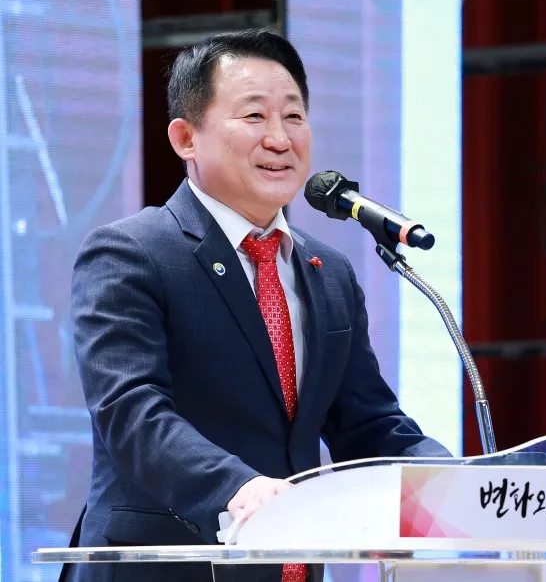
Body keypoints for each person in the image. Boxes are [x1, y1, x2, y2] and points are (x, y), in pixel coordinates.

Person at [63, 28, 450, 582]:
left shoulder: (328, 272)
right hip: (165, 566)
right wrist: (237, 487)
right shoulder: (131, 253)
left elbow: (368, 425)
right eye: (254, 116)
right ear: (185, 138)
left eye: (294, 116)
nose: (280, 138)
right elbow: (131, 412)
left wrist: (459, 485)